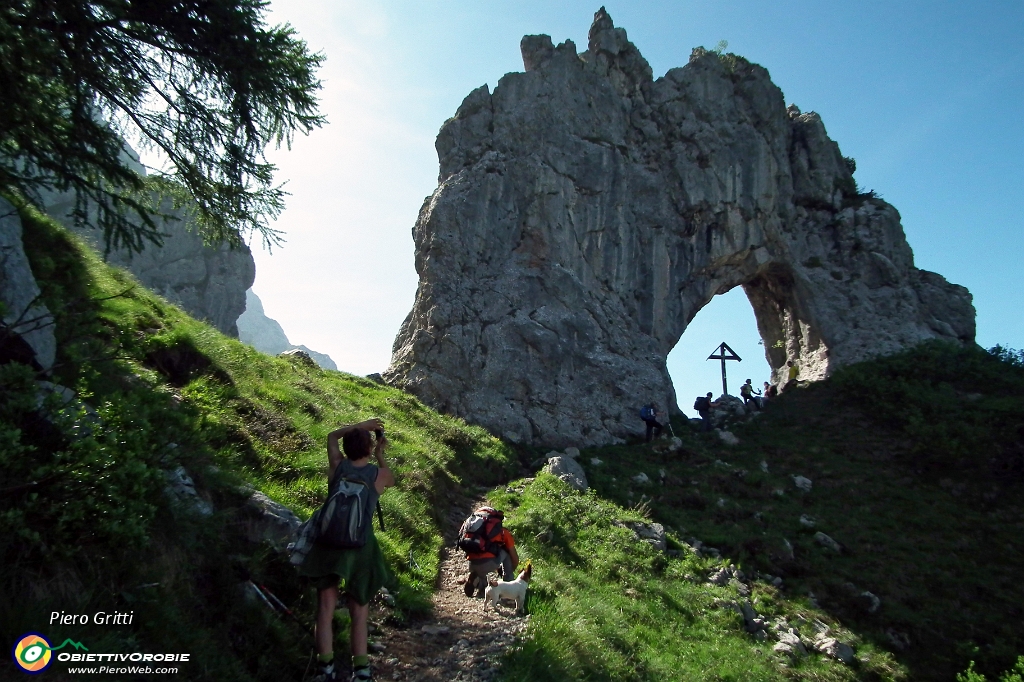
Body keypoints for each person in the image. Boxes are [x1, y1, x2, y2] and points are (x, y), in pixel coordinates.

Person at [299, 419, 395, 682]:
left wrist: (358, 426)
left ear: (347, 447)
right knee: (359, 611)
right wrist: (380, 453)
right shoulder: (378, 475)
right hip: (360, 548)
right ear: (369, 447)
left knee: (325, 608)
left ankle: (325, 668)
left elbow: (331, 436)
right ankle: (361, 671)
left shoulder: (337, 466)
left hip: (328, 544)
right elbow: (392, 481)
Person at [464, 520, 519, 598]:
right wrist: (511, 569)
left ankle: (479, 583)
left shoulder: (475, 531)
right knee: (507, 552)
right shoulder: (503, 532)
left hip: (472, 564)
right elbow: (515, 559)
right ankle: (508, 582)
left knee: (483, 571)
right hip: (488, 564)